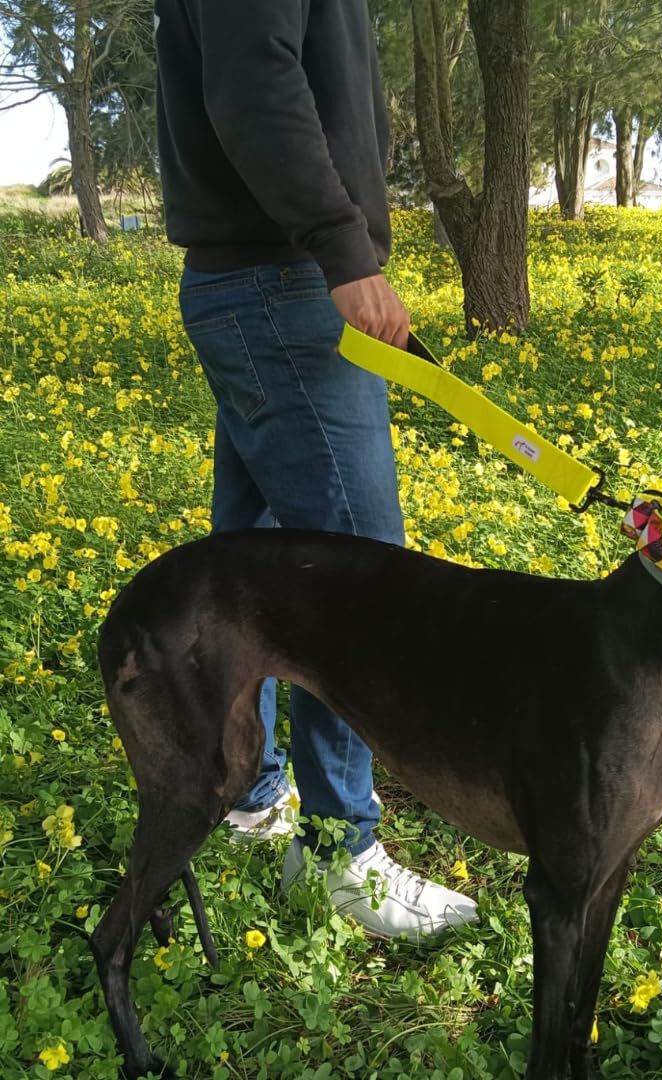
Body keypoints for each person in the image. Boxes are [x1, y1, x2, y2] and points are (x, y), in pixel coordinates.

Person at [153, 0, 476, 941]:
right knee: (355, 584)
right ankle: (343, 854)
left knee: (249, 562)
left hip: (258, 279)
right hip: (282, 281)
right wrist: (343, 246)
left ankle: (251, 793)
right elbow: (255, 78)